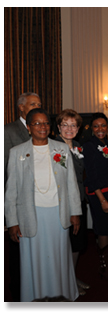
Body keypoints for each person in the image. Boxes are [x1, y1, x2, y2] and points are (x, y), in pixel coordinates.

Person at [5, 108, 81, 302]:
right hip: (31, 215)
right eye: (37, 123)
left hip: (58, 213)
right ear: (29, 127)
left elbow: (71, 182)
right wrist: (12, 221)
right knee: (34, 260)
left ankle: (61, 294)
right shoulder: (17, 152)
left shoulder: (61, 149)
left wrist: (75, 212)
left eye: (46, 122)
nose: (42, 127)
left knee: (58, 258)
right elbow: (11, 190)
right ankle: (35, 296)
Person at [4, 92, 42, 301]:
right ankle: (18, 296)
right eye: (33, 104)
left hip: (42, 201)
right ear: (21, 108)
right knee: (18, 253)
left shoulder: (43, 128)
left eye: (39, 104)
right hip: (19, 202)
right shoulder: (8, 131)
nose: (38, 106)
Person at [55, 109, 90, 296]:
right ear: (59, 127)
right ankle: (63, 283)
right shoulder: (53, 147)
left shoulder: (77, 146)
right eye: (65, 125)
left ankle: (71, 276)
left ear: (78, 128)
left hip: (79, 200)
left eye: (73, 125)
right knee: (63, 244)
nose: (69, 128)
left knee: (77, 243)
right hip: (61, 203)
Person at [83, 112, 108, 282]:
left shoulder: (107, 144)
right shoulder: (90, 145)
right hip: (100, 194)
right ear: (92, 128)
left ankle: (106, 265)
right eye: (96, 126)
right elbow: (91, 175)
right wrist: (102, 199)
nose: (100, 129)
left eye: (103, 126)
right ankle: (104, 267)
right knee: (104, 229)